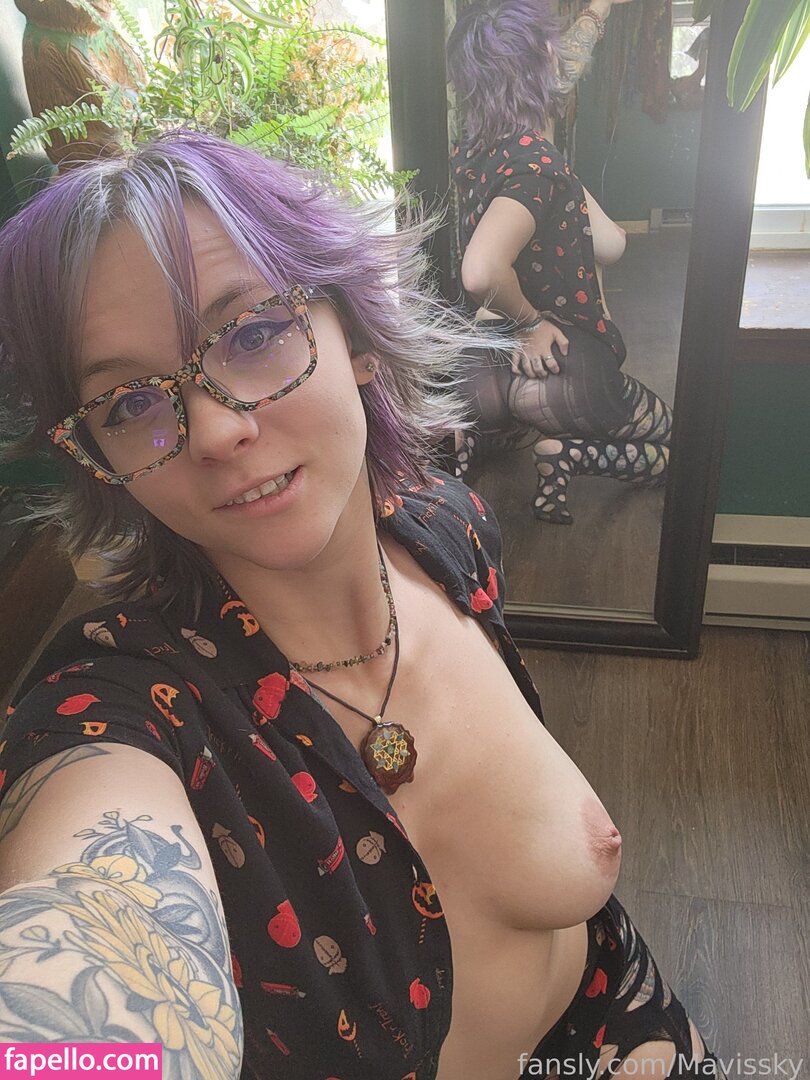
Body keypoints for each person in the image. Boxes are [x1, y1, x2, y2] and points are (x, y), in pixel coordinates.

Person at [0, 131, 721, 1080]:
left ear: (359, 338)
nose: (215, 429)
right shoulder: (126, 706)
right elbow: (88, 945)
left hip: (626, 1011)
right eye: (130, 404)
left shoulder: (448, 531)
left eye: (252, 334)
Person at [447, 0, 674, 524]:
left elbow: (604, 242)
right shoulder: (537, 164)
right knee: (679, 444)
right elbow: (482, 270)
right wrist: (532, 323)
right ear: (541, 67)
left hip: (480, 366)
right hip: (558, 364)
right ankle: (572, 455)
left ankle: (470, 440)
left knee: (515, 422)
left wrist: (598, 10)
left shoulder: (469, 154)